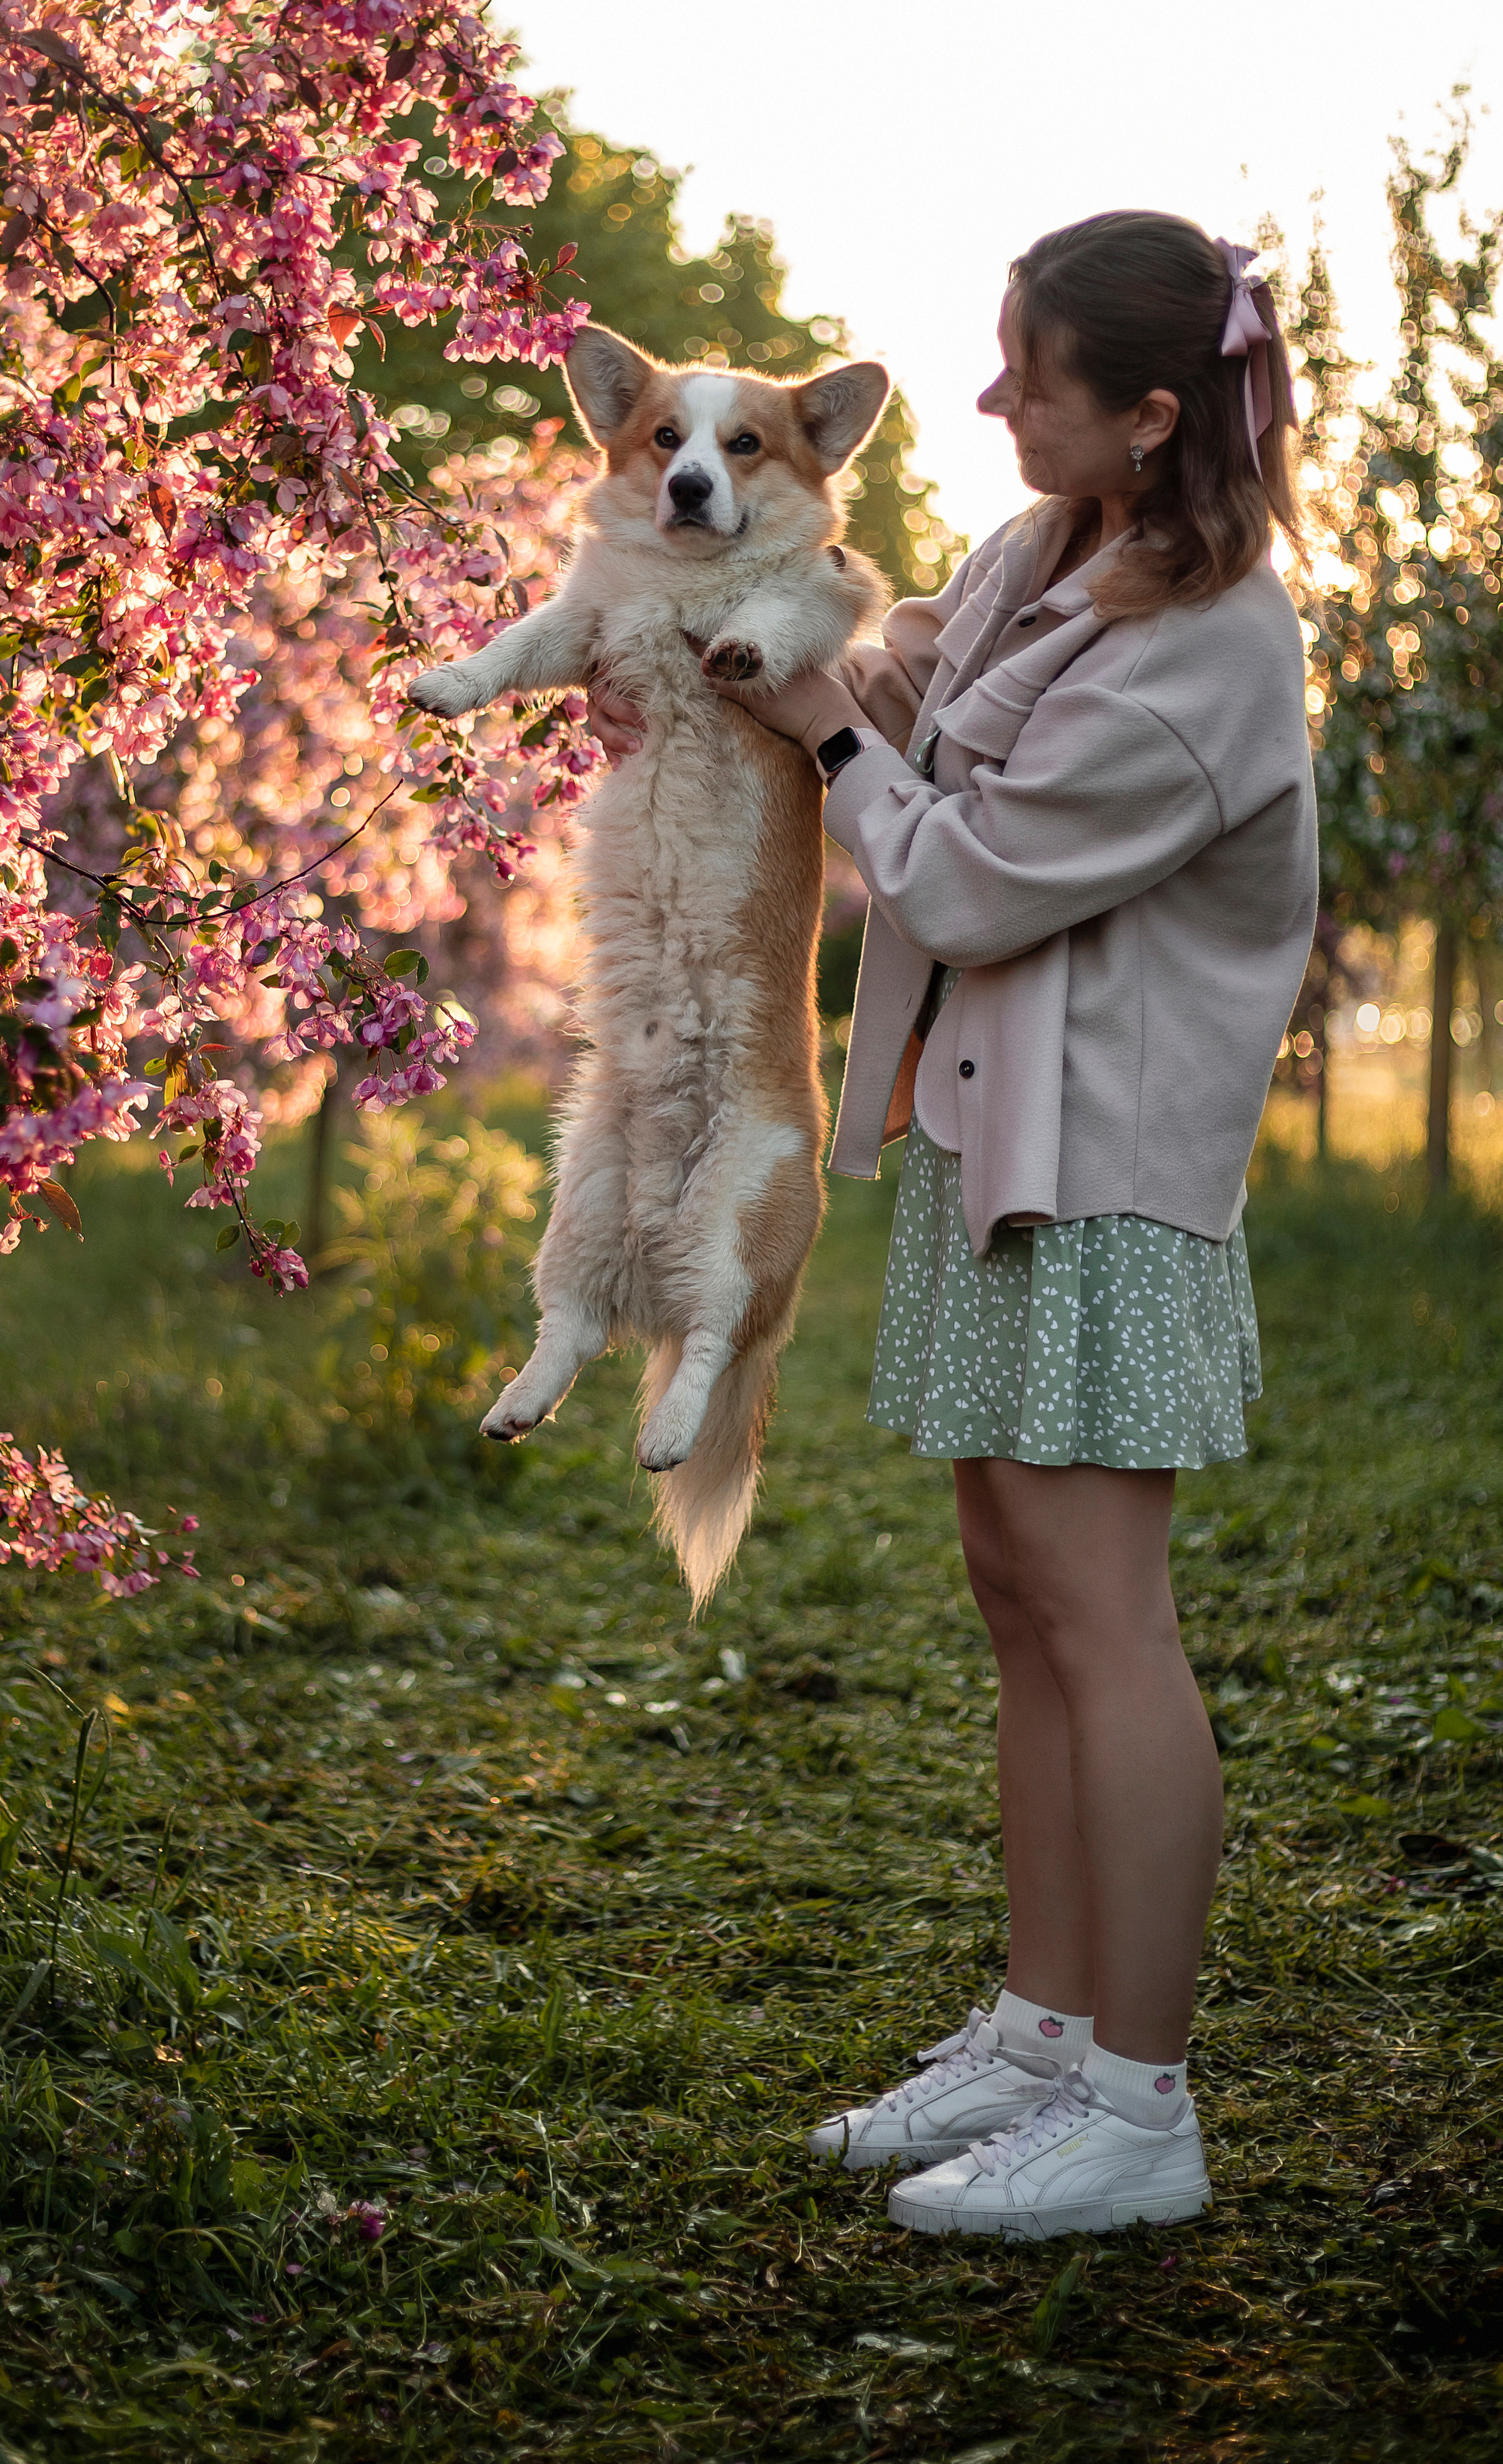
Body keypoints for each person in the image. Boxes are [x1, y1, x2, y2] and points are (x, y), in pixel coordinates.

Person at [584, 211, 1316, 2237]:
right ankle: (1044, 2030)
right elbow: (900, 683)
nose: (988, 398)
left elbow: (975, 881)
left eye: (1031, 374)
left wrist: (821, 718)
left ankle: (1142, 2111)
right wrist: (730, 653)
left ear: (1150, 415)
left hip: (1111, 1179)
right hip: (997, 1144)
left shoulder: (1210, 652)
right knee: (1020, 1593)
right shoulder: (1039, 559)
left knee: (1106, 1621)